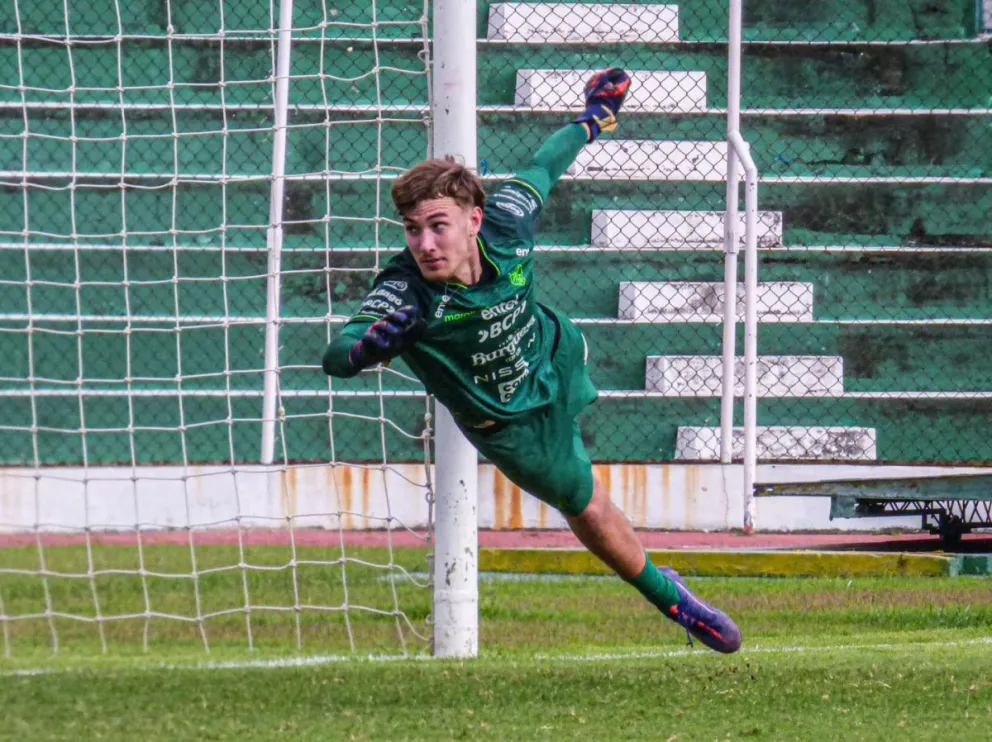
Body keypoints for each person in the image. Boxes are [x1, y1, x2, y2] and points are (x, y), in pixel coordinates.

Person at [322, 69, 742, 654]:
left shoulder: (508, 219)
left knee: (565, 348)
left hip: (554, 354)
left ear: (473, 221)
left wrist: (593, 118)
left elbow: (545, 166)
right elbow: (337, 355)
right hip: (512, 426)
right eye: (413, 230)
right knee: (586, 504)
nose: (425, 244)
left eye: (437, 227)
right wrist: (368, 348)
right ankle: (672, 599)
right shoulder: (406, 290)